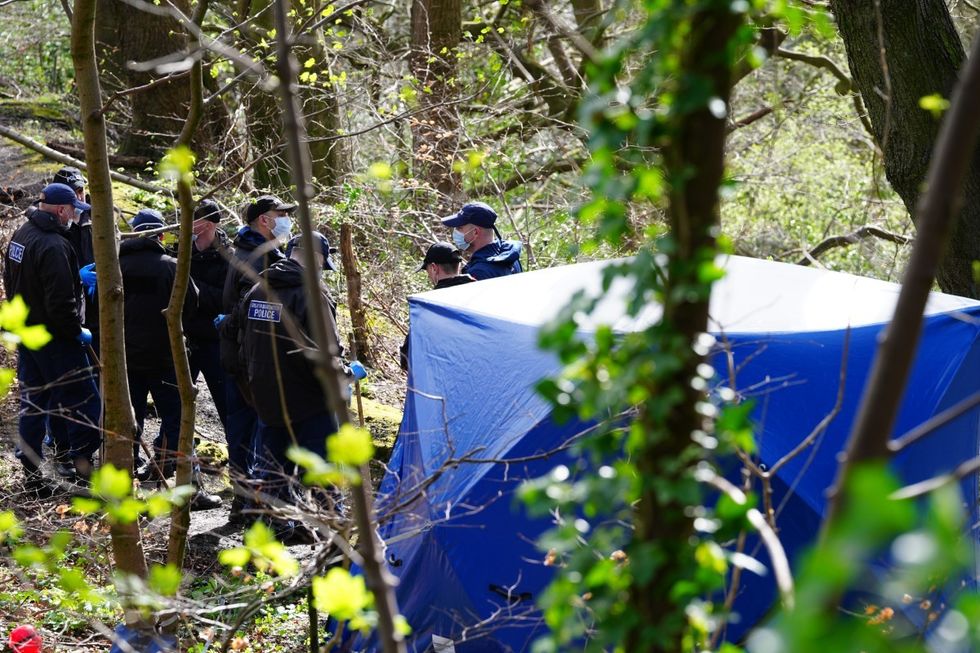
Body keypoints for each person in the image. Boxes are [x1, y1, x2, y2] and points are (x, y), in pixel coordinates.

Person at [236, 231, 344, 541]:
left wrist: (253, 387)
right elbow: (328, 351)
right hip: (310, 401)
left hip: (266, 398)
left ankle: (277, 531)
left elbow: (242, 344)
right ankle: (334, 534)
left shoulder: (257, 289)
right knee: (323, 470)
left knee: (274, 471)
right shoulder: (313, 294)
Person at [120, 209, 221, 510]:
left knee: (126, 424)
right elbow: (190, 306)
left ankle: (123, 491)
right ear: (162, 235)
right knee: (179, 422)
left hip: (126, 361)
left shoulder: (114, 267)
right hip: (166, 359)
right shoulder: (172, 268)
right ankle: (189, 491)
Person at [3, 183, 101, 491]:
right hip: (57, 340)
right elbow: (61, 303)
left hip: (28, 335)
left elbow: (10, 280)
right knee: (85, 402)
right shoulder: (54, 246)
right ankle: (84, 470)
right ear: (61, 210)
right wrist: (76, 331)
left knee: (35, 403)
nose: (75, 216)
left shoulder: (22, 234)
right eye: (73, 211)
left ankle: (32, 473)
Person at [218, 194, 295, 521]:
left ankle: (245, 501)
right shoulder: (258, 258)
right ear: (264, 219)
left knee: (245, 428)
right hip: (251, 359)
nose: (286, 220)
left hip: (243, 355)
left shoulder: (251, 251)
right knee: (256, 431)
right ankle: (252, 503)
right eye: (281, 214)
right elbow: (255, 311)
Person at [182, 199, 230, 429]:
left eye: (194, 219)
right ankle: (166, 456)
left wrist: (194, 289)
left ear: (209, 224)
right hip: (185, 338)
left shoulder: (230, 257)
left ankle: (240, 461)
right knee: (177, 403)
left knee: (227, 404)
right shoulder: (182, 253)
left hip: (215, 341)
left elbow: (227, 299)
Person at [400, 242, 475, 371]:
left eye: (428, 269)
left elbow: (408, 358)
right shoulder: (480, 292)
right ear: (460, 265)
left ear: (434, 268)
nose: (428, 275)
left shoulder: (428, 306)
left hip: (443, 382)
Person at [441, 202, 522, 280]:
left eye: (459, 228)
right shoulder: (510, 255)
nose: (455, 232)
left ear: (475, 232)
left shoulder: (478, 273)